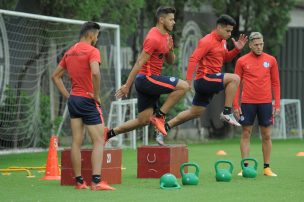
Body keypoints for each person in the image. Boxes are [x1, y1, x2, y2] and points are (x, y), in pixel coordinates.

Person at [156, 14, 248, 145]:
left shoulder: (222, 42)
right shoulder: (207, 41)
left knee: (194, 112)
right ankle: (227, 112)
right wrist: (188, 82)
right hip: (204, 80)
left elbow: (225, 59)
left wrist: (236, 50)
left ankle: (163, 129)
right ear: (219, 27)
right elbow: (193, 59)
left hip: (210, 81)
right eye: (227, 30)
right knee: (235, 78)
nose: (229, 34)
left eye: (231, 31)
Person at [105, 6, 189, 142]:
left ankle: (108, 134)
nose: (174, 22)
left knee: (142, 120)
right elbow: (139, 63)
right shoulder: (153, 38)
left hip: (149, 81)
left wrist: (170, 49)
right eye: (171, 19)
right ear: (161, 20)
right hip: (147, 79)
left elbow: (170, 61)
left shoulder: (166, 36)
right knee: (184, 86)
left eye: (174, 19)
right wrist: (127, 85)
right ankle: (160, 116)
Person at [52, 22, 115, 190]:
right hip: (87, 100)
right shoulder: (93, 51)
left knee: (76, 142)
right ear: (91, 35)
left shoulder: (70, 52)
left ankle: (79, 182)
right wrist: (95, 95)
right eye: (97, 35)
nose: (97, 39)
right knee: (99, 139)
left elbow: (55, 76)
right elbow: (95, 72)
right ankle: (96, 181)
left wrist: (68, 95)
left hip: (74, 101)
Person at [233, 32, 280, 177]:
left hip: (265, 103)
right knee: (246, 133)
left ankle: (267, 168)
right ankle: (245, 167)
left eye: (261, 44)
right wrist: (235, 105)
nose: (259, 47)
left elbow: (275, 83)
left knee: (266, 135)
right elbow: (236, 84)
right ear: (250, 45)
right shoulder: (241, 61)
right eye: (256, 45)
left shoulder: (271, 60)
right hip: (247, 103)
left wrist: (276, 104)